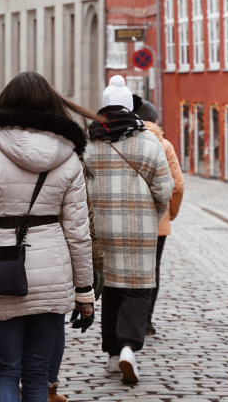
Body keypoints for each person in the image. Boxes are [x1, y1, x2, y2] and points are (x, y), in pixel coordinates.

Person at [0, 72, 95, 402]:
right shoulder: (70, 157)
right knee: (36, 373)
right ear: (51, 106)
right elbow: (78, 233)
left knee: (4, 371)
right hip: (54, 270)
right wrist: (85, 290)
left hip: (3, 270)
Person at [83, 76, 173, 384]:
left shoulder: (90, 141)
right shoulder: (148, 141)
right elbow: (165, 189)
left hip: (104, 227)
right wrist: (153, 214)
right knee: (137, 289)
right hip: (140, 228)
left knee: (111, 288)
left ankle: (110, 354)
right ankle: (127, 347)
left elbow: (81, 187)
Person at [132, 97, 184, 336]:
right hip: (157, 221)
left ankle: (126, 320)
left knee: (127, 270)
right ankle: (146, 321)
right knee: (152, 270)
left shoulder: (126, 140)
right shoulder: (164, 144)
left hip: (127, 218)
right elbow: (177, 185)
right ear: (154, 119)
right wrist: (169, 214)